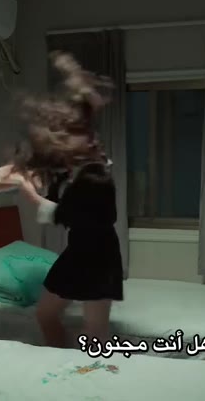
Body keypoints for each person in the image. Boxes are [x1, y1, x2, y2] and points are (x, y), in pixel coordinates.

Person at [12, 51, 123, 349]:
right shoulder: (67, 170)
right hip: (77, 252)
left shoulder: (96, 175)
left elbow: (65, 214)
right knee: (45, 314)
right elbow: (55, 199)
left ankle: (98, 372)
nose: (63, 138)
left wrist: (28, 193)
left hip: (99, 255)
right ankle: (60, 360)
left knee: (95, 331)